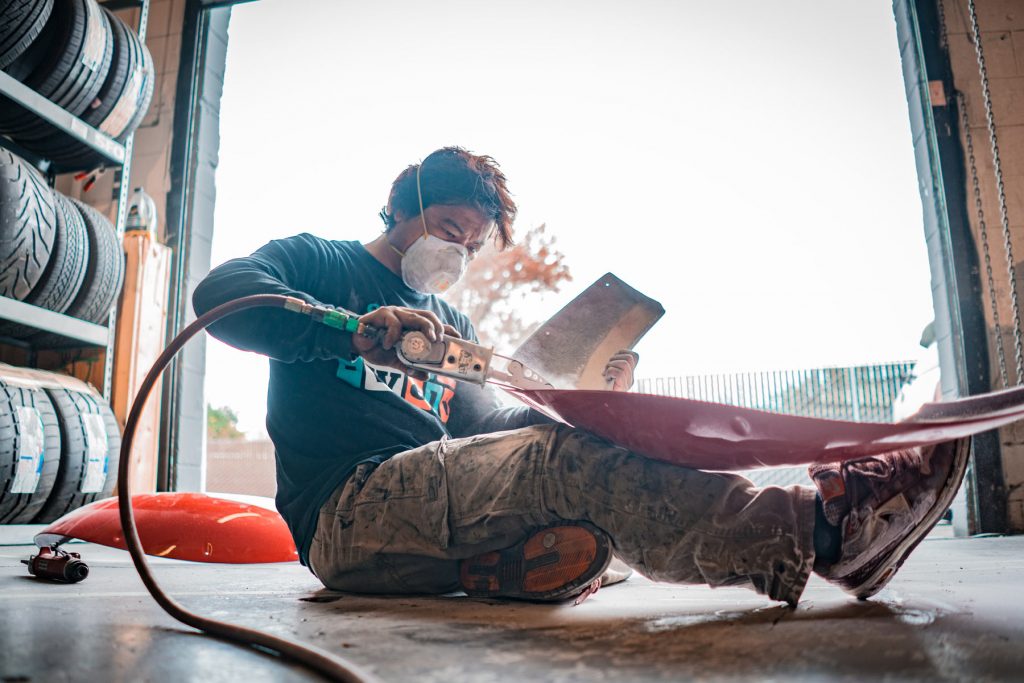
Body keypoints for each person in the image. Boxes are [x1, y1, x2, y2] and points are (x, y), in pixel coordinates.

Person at [193, 147, 966, 606]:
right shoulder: (320, 261)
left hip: (425, 515)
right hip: (346, 516)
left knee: (590, 493)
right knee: (563, 472)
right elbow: (223, 296)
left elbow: (489, 433)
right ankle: (825, 532)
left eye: (472, 244)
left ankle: (500, 571)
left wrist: (586, 402)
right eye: (449, 228)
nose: (457, 252)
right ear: (404, 205)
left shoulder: (452, 325)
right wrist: (352, 329)